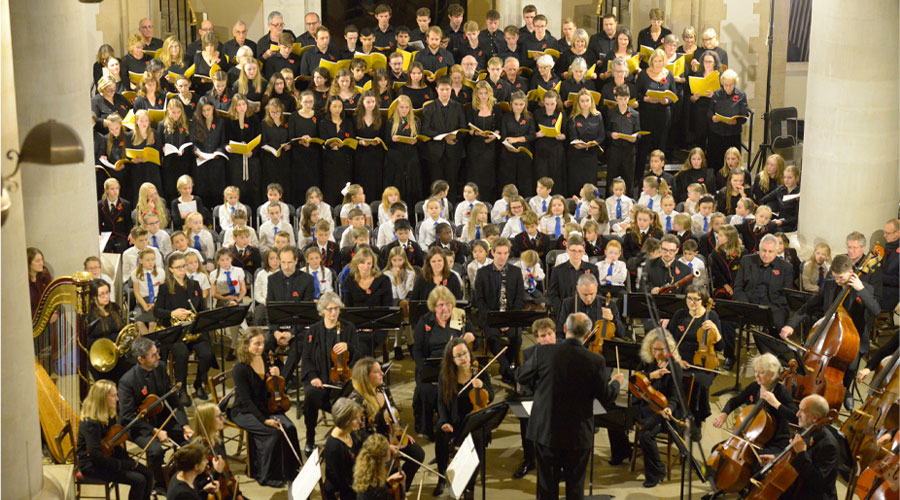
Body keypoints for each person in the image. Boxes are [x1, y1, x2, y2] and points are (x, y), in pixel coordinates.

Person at [517, 312, 625, 499]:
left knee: (546, 488)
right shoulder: (595, 361)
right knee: (575, 488)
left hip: (546, 432)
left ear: (565, 329)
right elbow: (606, 397)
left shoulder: (542, 352)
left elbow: (521, 376)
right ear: (589, 333)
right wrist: (616, 383)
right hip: (577, 435)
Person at [781, 254, 880, 410]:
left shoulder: (864, 288)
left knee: (852, 368)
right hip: (829, 336)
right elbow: (808, 307)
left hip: (852, 340)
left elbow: (876, 311)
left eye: (840, 277)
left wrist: (861, 290)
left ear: (850, 271)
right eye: (835, 277)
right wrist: (791, 325)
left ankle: (845, 390)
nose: (837, 281)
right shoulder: (829, 285)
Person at [117, 337, 193, 492]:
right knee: (155, 451)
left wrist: (185, 425)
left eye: (157, 353)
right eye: (153, 355)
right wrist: (154, 431)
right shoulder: (127, 381)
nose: (158, 357)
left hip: (159, 416)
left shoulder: (160, 367)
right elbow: (126, 416)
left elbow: (173, 399)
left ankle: (176, 475)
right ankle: (158, 483)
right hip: (138, 425)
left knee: (187, 440)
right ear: (140, 359)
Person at [231, 328, 301, 487]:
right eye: (256, 344)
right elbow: (247, 401)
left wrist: (277, 373)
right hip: (244, 411)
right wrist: (264, 421)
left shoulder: (264, 358)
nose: (261, 347)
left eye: (262, 343)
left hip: (264, 405)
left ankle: (290, 470)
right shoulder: (240, 368)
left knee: (289, 428)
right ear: (246, 345)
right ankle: (264, 475)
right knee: (272, 432)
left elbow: (272, 385)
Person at [349, 357, 425, 491]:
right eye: (377, 372)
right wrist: (386, 446)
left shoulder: (382, 388)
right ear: (366, 377)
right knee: (391, 465)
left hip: (390, 435)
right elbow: (360, 435)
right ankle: (390, 491)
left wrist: (400, 431)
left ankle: (401, 490)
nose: (382, 374)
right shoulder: (357, 400)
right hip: (373, 445)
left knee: (418, 454)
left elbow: (393, 411)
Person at [411, 285, 476, 438]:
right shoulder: (425, 321)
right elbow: (417, 351)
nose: (445, 309)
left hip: (457, 370)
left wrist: (472, 337)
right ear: (434, 306)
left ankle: (459, 427)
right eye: (441, 305)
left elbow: (474, 345)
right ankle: (427, 429)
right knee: (425, 391)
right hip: (433, 370)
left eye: (448, 304)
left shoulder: (460, 317)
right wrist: (425, 371)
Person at [301, 291, 361, 455]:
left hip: (343, 382)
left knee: (356, 394)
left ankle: (347, 439)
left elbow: (359, 355)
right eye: (329, 309)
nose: (333, 313)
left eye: (336, 309)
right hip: (321, 382)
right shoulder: (313, 331)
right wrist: (313, 377)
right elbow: (306, 359)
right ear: (322, 311)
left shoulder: (348, 328)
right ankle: (310, 438)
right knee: (311, 396)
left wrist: (349, 347)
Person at [433, 338, 494, 497]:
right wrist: (444, 421)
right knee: (441, 434)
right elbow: (440, 401)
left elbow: (491, 397)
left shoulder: (480, 371)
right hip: (455, 420)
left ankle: (469, 486)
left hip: (475, 420)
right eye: (458, 356)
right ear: (452, 359)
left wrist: (482, 386)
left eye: (465, 353)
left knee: (478, 438)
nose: (463, 358)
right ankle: (441, 478)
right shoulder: (446, 375)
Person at [77, 379, 154, 500]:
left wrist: (129, 461)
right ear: (102, 399)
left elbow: (113, 445)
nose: (117, 399)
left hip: (107, 458)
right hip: (92, 465)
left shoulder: (108, 415)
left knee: (148, 474)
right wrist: (124, 464)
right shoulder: (90, 423)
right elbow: (96, 456)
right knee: (139, 480)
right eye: (113, 396)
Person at [152, 252, 212, 404]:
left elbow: (201, 309)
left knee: (207, 353)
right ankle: (182, 388)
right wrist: (173, 313)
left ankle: (198, 383)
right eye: (178, 267)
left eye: (183, 266)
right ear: (170, 269)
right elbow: (157, 311)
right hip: (176, 332)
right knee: (182, 353)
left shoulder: (194, 285)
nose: (182, 270)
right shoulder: (165, 288)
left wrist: (195, 315)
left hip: (193, 330)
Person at [711, 353, 798, 456]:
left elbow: (796, 418)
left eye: (761, 372)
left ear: (772, 374)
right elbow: (735, 401)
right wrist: (724, 413)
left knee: (747, 458)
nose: (756, 375)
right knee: (716, 450)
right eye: (755, 371)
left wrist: (777, 404)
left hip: (774, 443)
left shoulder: (781, 392)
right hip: (752, 438)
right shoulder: (755, 387)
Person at [757, 394, 839, 500]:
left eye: (802, 411)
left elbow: (817, 481)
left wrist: (801, 453)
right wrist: (776, 458)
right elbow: (793, 456)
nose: (797, 414)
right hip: (798, 486)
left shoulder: (829, 445)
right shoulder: (809, 429)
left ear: (815, 418)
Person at [732, 234, 794, 360]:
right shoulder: (747, 260)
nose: (766, 254)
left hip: (773, 307)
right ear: (759, 250)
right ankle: (730, 356)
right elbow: (738, 287)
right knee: (726, 322)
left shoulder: (786, 267)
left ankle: (777, 360)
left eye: (770, 251)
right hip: (749, 304)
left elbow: (786, 295)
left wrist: (770, 309)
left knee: (778, 324)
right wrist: (745, 305)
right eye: (763, 250)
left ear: (777, 251)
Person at [474, 238, 526, 384]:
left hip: (511, 317)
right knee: (492, 338)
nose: (502, 257)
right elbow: (480, 300)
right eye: (499, 253)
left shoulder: (516, 272)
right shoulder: (482, 273)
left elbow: (519, 299)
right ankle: (508, 370)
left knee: (517, 338)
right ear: (492, 253)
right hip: (491, 317)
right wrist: (496, 320)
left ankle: (505, 369)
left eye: (505, 253)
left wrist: (508, 320)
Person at [669, 285, 722, 428]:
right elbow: (668, 340)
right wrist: (677, 360)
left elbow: (720, 347)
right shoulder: (680, 315)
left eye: (696, 300)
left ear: (703, 300)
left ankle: (697, 420)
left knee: (699, 383)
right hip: (680, 360)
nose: (691, 303)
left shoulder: (712, 316)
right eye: (689, 299)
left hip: (705, 363)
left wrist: (715, 331)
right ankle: (676, 416)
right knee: (672, 377)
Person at [341, 247, 393, 356]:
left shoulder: (383, 280)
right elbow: (347, 309)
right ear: (356, 263)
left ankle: (363, 370)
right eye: (362, 263)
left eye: (369, 263)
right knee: (358, 344)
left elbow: (387, 308)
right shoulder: (349, 281)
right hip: (356, 326)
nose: (366, 267)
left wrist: (372, 326)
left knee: (362, 346)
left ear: (373, 264)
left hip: (378, 326)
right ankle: (368, 369)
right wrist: (359, 327)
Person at [421, 77, 467, 199]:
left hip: (453, 152)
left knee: (451, 185)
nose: (445, 92)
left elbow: (463, 129)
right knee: (435, 186)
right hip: (435, 153)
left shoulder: (458, 107)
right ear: (437, 90)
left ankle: (450, 214)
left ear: (451, 89)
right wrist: (444, 137)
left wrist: (455, 138)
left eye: (447, 89)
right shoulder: (429, 107)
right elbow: (425, 130)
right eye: (442, 89)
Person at [86, 279, 133, 383]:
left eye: (107, 293)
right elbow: (87, 340)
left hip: (118, 353)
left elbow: (122, 329)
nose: (106, 296)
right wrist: (110, 343)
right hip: (100, 357)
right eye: (101, 294)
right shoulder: (89, 314)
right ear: (94, 297)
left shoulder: (115, 307)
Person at [556, 273, 626, 340]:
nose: (589, 299)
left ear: (597, 288)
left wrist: (613, 319)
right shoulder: (568, 304)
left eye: (592, 294)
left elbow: (622, 334)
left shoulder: (609, 304)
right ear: (577, 289)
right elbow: (560, 333)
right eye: (585, 295)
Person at [323, 397, 364, 500]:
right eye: (355, 419)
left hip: (354, 481)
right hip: (343, 493)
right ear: (345, 420)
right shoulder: (334, 447)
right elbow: (343, 483)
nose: (360, 422)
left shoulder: (350, 433)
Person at [352, 433, 406, 500]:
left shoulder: (365, 474)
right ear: (383, 457)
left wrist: (388, 482)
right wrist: (403, 487)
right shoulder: (379, 489)